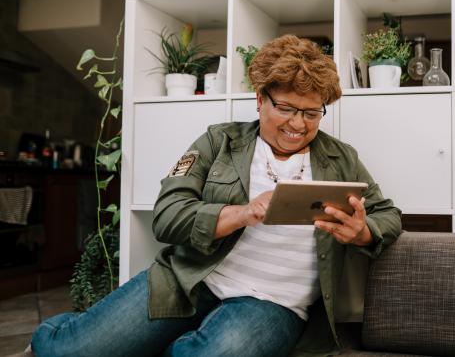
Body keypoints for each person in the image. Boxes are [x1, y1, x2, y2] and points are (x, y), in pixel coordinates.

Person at [30, 34, 402, 357]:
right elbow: (168, 215)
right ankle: (73, 329)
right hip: (189, 281)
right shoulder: (218, 141)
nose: (298, 124)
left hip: (273, 304)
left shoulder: (341, 157)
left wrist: (362, 232)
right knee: (68, 351)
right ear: (261, 99)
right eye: (286, 108)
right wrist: (243, 213)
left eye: (311, 113)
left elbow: (388, 215)